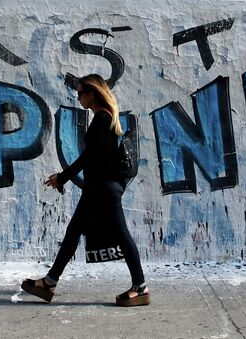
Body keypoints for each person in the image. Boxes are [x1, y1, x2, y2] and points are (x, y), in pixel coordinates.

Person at [21, 74, 150, 307]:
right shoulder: (104, 117)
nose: (78, 97)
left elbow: (89, 156)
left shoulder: (102, 118)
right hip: (98, 188)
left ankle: (140, 287)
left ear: (92, 94)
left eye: (80, 93)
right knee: (74, 232)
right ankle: (50, 282)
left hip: (103, 189)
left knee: (121, 235)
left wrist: (63, 177)